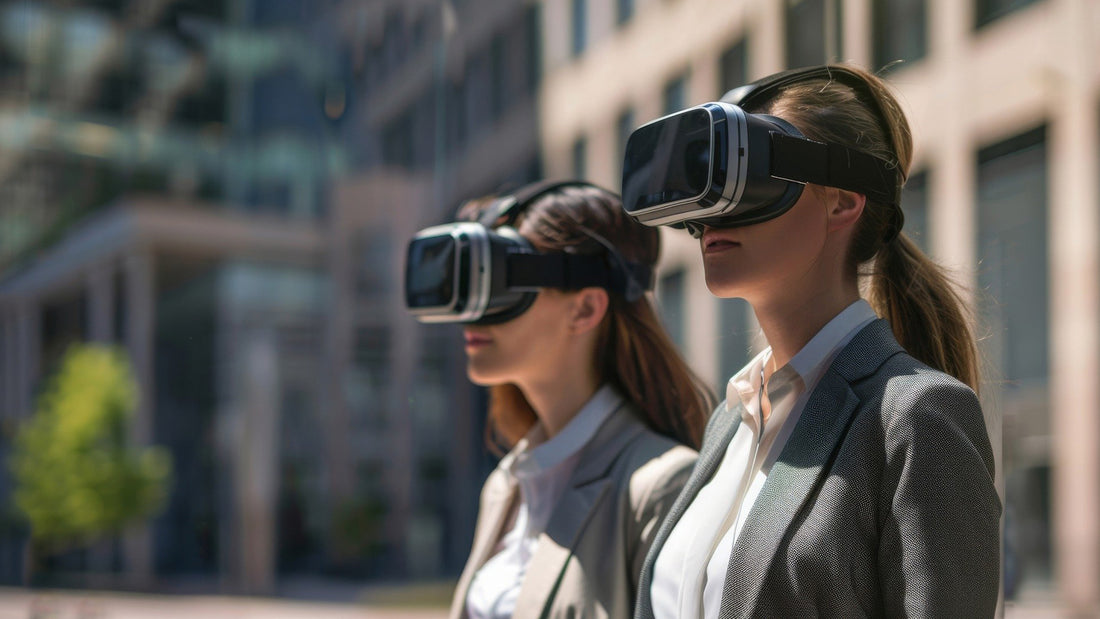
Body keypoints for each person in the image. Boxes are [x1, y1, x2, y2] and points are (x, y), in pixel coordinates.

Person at [630, 64, 1001, 618]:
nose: (715, 212)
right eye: (711, 178)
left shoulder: (917, 416)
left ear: (841, 202)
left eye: (750, 174)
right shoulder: (731, 419)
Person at [405, 181, 713, 619]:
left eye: (502, 282)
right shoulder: (506, 487)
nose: (473, 313)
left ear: (585, 309)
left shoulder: (660, 488)